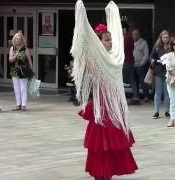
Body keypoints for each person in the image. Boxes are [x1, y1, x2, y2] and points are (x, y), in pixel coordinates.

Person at [71, 1, 138, 179]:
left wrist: (114, 15)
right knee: (102, 143)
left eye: (110, 39)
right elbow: (85, 47)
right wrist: (81, 18)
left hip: (114, 105)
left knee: (113, 142)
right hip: (103, 106)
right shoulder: (96, 61)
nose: (110, 42)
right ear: (98, 42)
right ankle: (101, 172)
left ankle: (107, 172)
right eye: (106, 39)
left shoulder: (114, 58)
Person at [9, 32, 34, 112]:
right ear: (14, 40)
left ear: (22, 40)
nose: (17, 40)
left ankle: (23, 105)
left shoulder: (25, 49)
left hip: (23, 70)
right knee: (16, 89)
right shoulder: (12, 48)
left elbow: (30, 61)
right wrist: (15, 56)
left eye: (19, 39)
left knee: (23, 88)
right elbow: (10, 60)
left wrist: (32, 72)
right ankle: (18, 105)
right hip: (14, 70)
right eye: (16, 38)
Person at [150, 30, 171, 119]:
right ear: (161, 38)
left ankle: (167, 111)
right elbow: (150, 58)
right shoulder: (157, 47)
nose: (165, 39)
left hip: (168, 72)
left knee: (167, 93)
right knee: (158, 92)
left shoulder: (171, 47)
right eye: (164, 37)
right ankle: (156, 111)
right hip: (158, 72)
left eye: (167, 37)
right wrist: (157, 61)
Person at [129, 29, 150, 104]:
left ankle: (146, 96)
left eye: (136, 34)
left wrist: (141, 63)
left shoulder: (143, 42)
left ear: (139, 34)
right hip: (132, 65)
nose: (134, 36)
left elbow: (146, 54)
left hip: (141, 66)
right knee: (134, 81)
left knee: (143, 82)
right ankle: (136, 96)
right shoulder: (131, 42)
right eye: (133, 34)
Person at [122, 22, 138, 104]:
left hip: (126, 60)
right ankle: (136, 97)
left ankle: (121, 97)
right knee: (132, 79)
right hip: (130, 60)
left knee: (122, 79)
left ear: (124, 28)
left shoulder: (126, 36)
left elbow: (123, 48)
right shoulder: (130, 36)